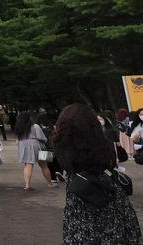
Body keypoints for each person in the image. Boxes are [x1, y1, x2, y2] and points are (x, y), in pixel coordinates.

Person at [53, 103, 142, 244]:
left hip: (80, 192)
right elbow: (112, 163)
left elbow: (64, 167)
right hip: (107, 190)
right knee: (117, 230)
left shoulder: (61, 146)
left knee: (83, 233)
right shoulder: (102, 142)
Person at [15, 111, 55, 190]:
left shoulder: (18, 127)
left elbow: (17, 140)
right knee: (44, 165)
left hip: (23, 146)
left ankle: (27, 185)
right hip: (36, 146)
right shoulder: (35, 126)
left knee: (28, 164)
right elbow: (42, 138)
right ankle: (49, 183)